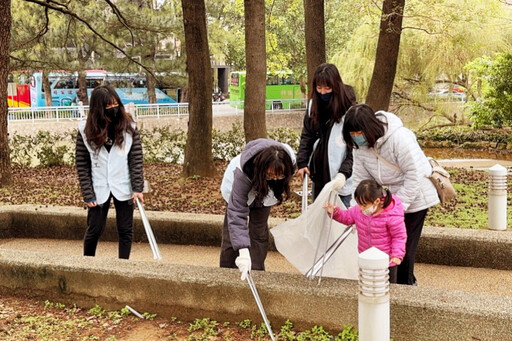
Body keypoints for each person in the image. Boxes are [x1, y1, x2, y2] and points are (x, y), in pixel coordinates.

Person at [342, 103, 439, 285]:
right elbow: (361, 180)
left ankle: (406, 289)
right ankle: (389, 289)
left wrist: (396, 208)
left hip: (415, 197)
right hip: (387, 201)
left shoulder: (399, 139)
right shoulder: (359, 148)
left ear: (370, 128)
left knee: (403, 249)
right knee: (383, 248)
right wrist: (358, 209)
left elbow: (415, 174)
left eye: (359, 133)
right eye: (352, 135)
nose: (357, 138)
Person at [75, 85, 144, 260]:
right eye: (107, 107)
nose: (113, 110)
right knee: (95, 229)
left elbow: (135, 160)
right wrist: (88, 194)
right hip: (98, 185)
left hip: (124, 183)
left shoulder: (129, 127)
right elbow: (82, 164)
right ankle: (87, 263)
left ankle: (123, 266)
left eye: (115, 105)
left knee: (125, 229)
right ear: (98, 109)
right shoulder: (85, 130)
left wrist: (138, 188)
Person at [220, 138, 296, 280]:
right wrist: (243, 252)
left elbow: (278, 179)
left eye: (278, 176)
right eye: (270, 174)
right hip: (235, 189)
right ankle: (227, 275)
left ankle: (256, 273)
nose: (274, 179)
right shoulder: (243, 171)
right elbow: (237, 214)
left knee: (259, 233)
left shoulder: (287, 161)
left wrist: (272, 181)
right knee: (232, 235)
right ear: (261, 169)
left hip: (265, 194)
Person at [296, 63, 357, 207]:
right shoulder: (313, 105)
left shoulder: (349, 109)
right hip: (319, 172)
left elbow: (354, 148)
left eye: (327, 88)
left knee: (341, 219)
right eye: (319, 87)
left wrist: (344, 173)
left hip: (340, 175)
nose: (322, 92)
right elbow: (307, 135)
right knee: (319, 216)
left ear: (335, 86)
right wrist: (302, 162)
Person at [323, 179, 407, 283]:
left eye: (364, 205)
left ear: (376, 201)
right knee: (367, 284)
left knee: (385, 286)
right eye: (359, 204)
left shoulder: (392, 215)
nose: (361, 208)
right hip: (366, 257)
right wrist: (335, 212)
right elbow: (347, 217)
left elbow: (399, 236)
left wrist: (396, 255)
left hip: (386, 261)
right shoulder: (359, 210)